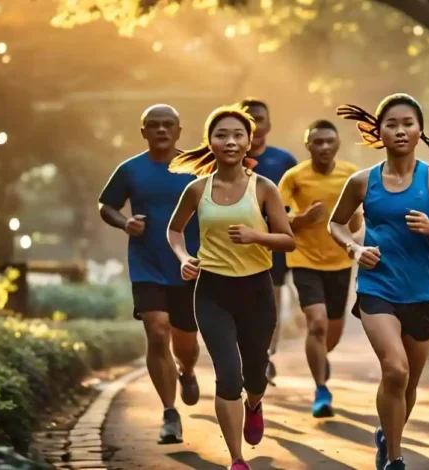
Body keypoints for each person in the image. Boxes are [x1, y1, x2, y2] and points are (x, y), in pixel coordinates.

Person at [330, 94, 429, 470]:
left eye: (407, 123)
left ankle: (387, 435)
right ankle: (394, 458)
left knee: (407, 386)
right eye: (391, 124)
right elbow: (336, 223)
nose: (400, 130)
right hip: (377, 288)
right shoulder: (363, 182)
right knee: (395, 369)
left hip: (423, 293)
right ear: (379, 131)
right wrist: (354, 250)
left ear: (420, 130)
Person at [167, 104, 295, 470]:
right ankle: (237, 459)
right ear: (210, 141)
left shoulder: (264, 188)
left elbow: (288, 241)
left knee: (255, 373)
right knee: (228, 374)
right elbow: (175, 230)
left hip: (257, 291)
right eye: (222, 134)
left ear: (249, 141)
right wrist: (183, 257)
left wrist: (257, 235)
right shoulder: (197, 189)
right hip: (212, 292)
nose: (230, 141)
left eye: (238, 135)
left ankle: (254, 404)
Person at [98, 104, 200, 444]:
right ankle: (169, 414)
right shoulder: (130, 170)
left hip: (188, 265)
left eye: (167, 124)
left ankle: (186, 370)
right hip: (147, 265)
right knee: (157, 333)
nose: (160, 130)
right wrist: (125, 222)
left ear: (178, 130)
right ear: (143, 131)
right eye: (153, 125)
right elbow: (106, 205)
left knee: (186, 341)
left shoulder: (197, 168)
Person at [278, 119, 362, 418]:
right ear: (308, 145)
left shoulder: (352, 174)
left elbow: (358, 220)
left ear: (337, 144)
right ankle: (321, 389)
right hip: (304, 259)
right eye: (318, 142)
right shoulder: (294, 177)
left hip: (340, 260)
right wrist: (302, 218)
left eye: (329, 141)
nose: (324, 147)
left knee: (332, 332)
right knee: (317, 323)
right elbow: (277, 217)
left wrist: (355, 221)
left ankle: (320, 358)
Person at [241, 98, 298, 383]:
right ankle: (247, 354)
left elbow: (299, 199)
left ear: (269, 124)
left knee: (270, 302)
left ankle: (264, 356)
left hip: (273, 244)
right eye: (246, 118)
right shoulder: (224, 157)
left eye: (259, 118)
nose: (253, 123)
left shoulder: (284, 160)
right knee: (240, 302)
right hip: (234, 243)